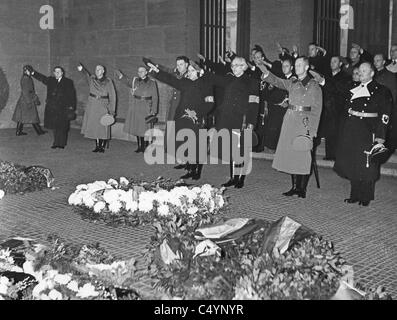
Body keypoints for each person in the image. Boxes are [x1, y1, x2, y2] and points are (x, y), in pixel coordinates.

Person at [315, 62, 393, 206]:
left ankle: (366, 197)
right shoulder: (353, 87)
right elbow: (336, 89)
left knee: (367, 165)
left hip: (368, 130)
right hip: (351, 130)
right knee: (353, 163)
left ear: (372, 73)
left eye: (365, 70)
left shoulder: (382, 91)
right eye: (360, 70)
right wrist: (322, 81)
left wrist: (380, 137)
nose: (361, 73)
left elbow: (385, 115)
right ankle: (354, 194)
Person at [258, 56, 323, 198]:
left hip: (305, 120)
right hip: (290, 120)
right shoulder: (293, 82)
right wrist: (264, 69)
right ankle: (294, 187)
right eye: (296, 64)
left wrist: (313, 130)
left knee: (303, 154)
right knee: (292, 153)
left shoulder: (314, 85)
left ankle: (302, 189)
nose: (297, 67)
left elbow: (317, 109)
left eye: (300, 64)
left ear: (306, 67)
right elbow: (276, 81)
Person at [146, 59, 214, 180]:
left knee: (197, 146)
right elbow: (170, 79)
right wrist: (156, 72)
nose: (190, 73)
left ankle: (197, 171)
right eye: (189, 71)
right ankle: (191, 169)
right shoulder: (185, 82)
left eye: (192, 71)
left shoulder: (206, 84)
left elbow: (210, 103)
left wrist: (197, 114)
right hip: (183, 118)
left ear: (199, 72)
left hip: (196, 119)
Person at [210, 56, 260, 189]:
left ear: (243, 66)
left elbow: (254, 104)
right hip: (228, 119)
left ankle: (241, 178)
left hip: (242, 120)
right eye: (232, 65)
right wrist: (202, 73)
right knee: (231, 150)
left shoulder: (251, 82)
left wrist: (251, 123)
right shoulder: (229, 79)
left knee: (241, 150)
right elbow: (215, 79)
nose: (233, 68)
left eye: (236, 65)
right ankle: (233, 177)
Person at [30, 65, 76, 149]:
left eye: (59, 71)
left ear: (62, 73)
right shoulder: (50, 80)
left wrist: (71, 107)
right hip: (53, 108)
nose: (57, 73)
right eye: (55, 71)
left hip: (63, 108)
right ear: (54, 73)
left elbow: (72, 95)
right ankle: (55, 143)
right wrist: (33, 73)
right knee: (55, 126)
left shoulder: (68, 82)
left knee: (62, 126)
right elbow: (42, 78)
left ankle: (61, 143)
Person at [116, 66, 159, 153]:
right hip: (136, 105)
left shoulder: (152, 83)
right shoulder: (135, 80)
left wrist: (154, 111)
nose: (140, 73)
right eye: (138, 71)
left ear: (146, 72)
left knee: (145, 128)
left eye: (142, 71)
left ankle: (146, 147)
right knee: (137, 127)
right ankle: (140, 146)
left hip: (146, 106)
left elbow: (155, 97)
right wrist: (120, 76)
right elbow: (127, 81)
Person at [78, 63, 116, 153]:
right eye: (96, 69)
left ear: (103, 71)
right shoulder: (92, 79)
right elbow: (86, 74)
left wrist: (112, 110)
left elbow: (113, 96)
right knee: (95, 126)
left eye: (99, 69)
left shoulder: (108, 81)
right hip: (93, 105)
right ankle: (97, 146)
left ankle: (102, 146)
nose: (97, 71)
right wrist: (82, 69)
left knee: (102, 127)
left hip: (103, 105)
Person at [318, 56, 350, 160]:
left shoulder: (345, 76)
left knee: (336, 133)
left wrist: (324, 83)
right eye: (331, 61)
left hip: (338, 109)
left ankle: (336, 156)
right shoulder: (327, 75)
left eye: (335, 61)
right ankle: (329, 155)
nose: (332, 63)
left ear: (340, 64)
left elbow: (338, 89)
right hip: (327, 108)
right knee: (328, 132)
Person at [263, 58, 295, 151]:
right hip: (275, 108)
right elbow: (269, 94)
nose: (284, 68)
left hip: (288, 110)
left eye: (286, 66)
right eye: (283, 66)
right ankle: (272, 148)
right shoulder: (278, 78)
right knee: (273, 129)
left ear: (292, 67)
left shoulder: (295, 79)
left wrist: (288, 102)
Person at [12, 65, 47, 136]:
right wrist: (29, 101)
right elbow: (26, 91)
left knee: (22, 117)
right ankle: (39, 131)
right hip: (27, 100)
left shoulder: (26, 78)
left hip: (25, 100)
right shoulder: (26, 79)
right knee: (33, 116)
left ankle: (19, 132)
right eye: (29, 71)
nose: (30, 72)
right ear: (26, 71)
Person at [374, 53, 397, 152]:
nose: (375, 62)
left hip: (384, 109)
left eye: (378, 60)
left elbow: (393, 95)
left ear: (384, 62)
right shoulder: (372, 74)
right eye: (374, 60)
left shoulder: (390, 76)